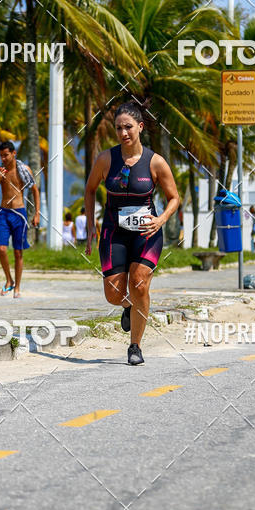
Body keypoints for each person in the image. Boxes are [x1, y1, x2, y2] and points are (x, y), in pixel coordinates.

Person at [84, 101, 179, 365]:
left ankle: (135, 346)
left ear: (140, 126)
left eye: (128, 127)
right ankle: (128, 307)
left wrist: (161, 220)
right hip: (114, 232)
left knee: (139, 283)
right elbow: (90, 189)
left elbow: (174, 198)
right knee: (113, 294)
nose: (123, 133)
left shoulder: (155, 162)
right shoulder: (106, 159)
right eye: (118, 128)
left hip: (146, 233)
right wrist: (91, 224)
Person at [0, 141, 40, 298]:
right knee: (2, 249)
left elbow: (34, 190)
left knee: (18, 252)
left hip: (19, 213)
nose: (3, 159)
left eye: (6, 155)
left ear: (14, 153)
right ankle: (9, 280)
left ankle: (17, 286)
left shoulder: (24, 170)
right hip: (3, 213)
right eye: (1, 156)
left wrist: (37, 214)